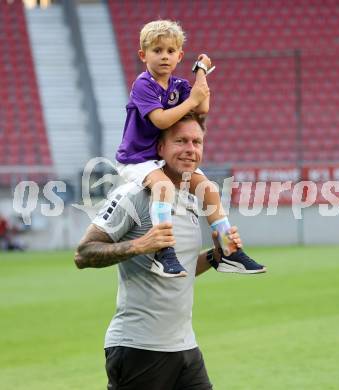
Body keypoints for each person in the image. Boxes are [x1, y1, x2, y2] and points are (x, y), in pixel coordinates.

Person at [75, 113, 247, 390]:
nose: (190, 149)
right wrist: (140, 245)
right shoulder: (133, 195)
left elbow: (182, 269)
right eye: (180, 141)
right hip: (139, 348)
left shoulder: (193, 198)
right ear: (160, 148)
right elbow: (83, 254)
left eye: (196, 142)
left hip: (185, 348)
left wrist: (217, 254)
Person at [115, 19, 265, 277]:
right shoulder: (143, 84)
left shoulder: (178, 86)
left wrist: (200, 72)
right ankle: (163, 253)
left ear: (179, 56)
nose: (164, 57)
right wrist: (193, 100)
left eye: (170, 51)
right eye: (157, 50)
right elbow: (161, 119)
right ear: (143, 55)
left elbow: (202, 108)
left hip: (162, 156)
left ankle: (229, 251)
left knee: (208, 188)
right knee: (162, 187)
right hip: (138, 159)